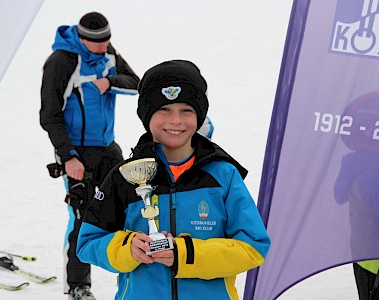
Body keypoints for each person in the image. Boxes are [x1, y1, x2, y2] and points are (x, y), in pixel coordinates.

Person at [76, 59, 271, 299]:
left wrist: (186, 253)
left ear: (199, 116)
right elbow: (88, 244)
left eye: (186, 110)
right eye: (164, 110)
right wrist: (127, 248)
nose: (176, 120)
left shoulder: (223, 175)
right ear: (146, 116)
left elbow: (253, 246)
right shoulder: (126, 176)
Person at [39, 12, 139, 300]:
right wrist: (68, 156)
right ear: (83, 39)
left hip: (108, 147)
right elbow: (49, 116)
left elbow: (135, 81)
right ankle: (78, 287)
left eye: (108, 40)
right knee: (82, 217)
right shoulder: (62, 61)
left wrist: (109, 82)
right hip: (76, 153)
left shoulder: (108, 53)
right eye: (100, 42)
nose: (105, 46)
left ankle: (135, 269)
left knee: (130, 206)